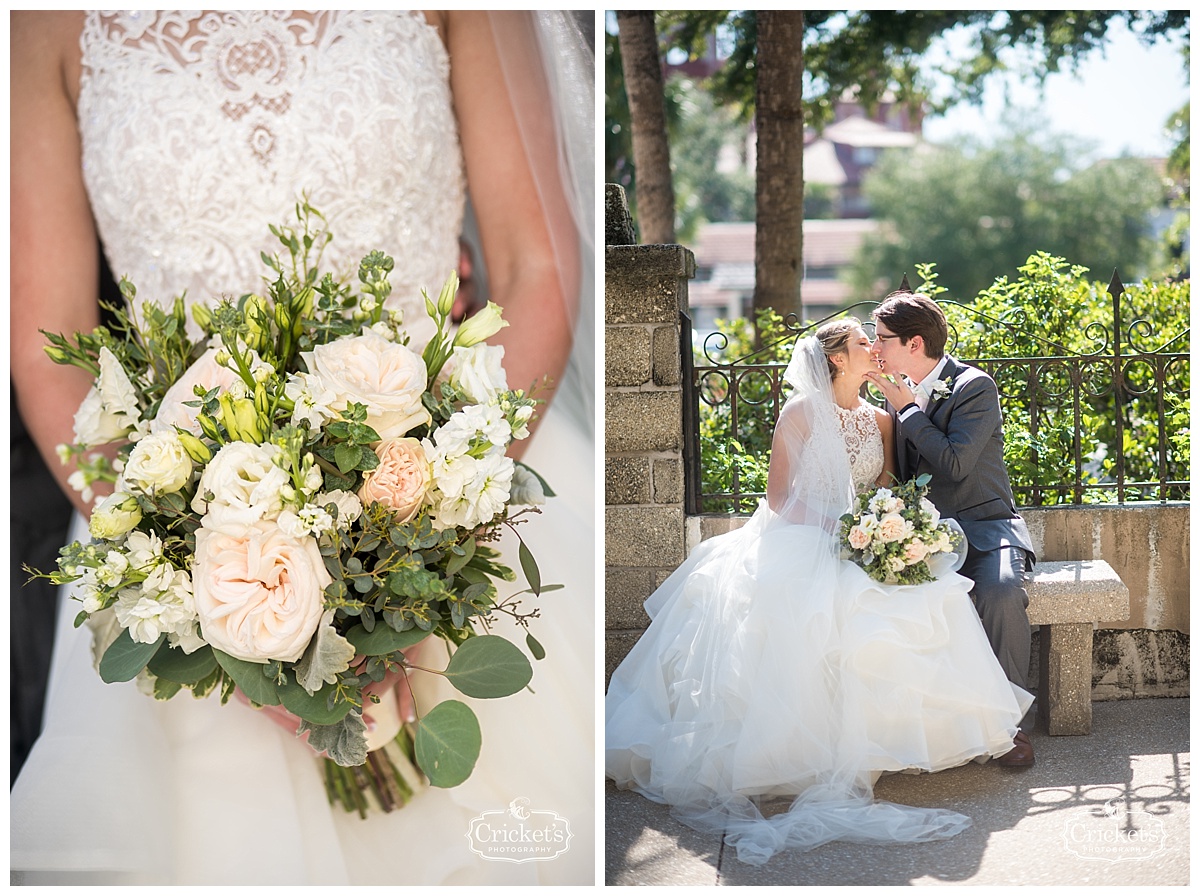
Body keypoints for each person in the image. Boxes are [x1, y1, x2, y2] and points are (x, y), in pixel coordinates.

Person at [10, 11, 594, 885]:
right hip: (170, 537)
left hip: (456, 502)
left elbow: (532, 270)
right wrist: (196, 586)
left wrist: (424, 537)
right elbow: (46, 340)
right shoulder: (41, 22)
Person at [605, 319, 1034, 866]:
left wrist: (884, 529)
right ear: (836, 358)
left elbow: (884, 487)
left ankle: (926, 735)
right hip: (804, 538)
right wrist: (840, 530)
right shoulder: (800, 414)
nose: (875, 351)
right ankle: (804, 750)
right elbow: (781, 498)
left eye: (879, 341)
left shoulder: (883, 418)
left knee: (924, 602)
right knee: (808, 616)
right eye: (864, 343)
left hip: (864, 539)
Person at [866, 291, 1036, 767]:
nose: (875, 349)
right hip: (921, 537)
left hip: (986, 530)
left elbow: (957, 464)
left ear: (914, 343)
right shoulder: (894, 390)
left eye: (882, 339)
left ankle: (1009, 726)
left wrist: (909, 412)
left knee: (1001, 595)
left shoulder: (972, 386)